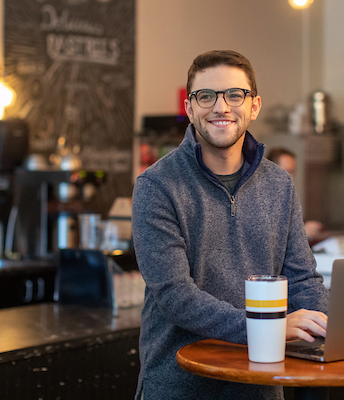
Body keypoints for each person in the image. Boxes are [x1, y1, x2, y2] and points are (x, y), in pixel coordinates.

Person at [132, 50, 329, 400]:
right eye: (206, 96)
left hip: (261, 388)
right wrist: (268, 329)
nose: (221, 107)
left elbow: (301, 277)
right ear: (190, 109)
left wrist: (332, 324)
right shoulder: (157, 186)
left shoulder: (278, 184)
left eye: (234, 95)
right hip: (181, 386)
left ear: (254, 106)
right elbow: (174, 296)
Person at [267, 147, 325, 240]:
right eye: (287, 172)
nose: (291, 178)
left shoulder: (287, 200)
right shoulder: (260, 201)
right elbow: (267, 242)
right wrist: (302, 233)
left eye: (293, 172)